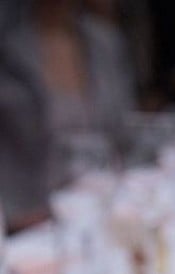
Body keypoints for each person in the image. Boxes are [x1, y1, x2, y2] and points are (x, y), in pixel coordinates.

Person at [0, 0, 134, 231]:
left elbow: (126, 131)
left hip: (105, 206)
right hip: (30, 218)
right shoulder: (9, 51)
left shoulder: (105, 42)